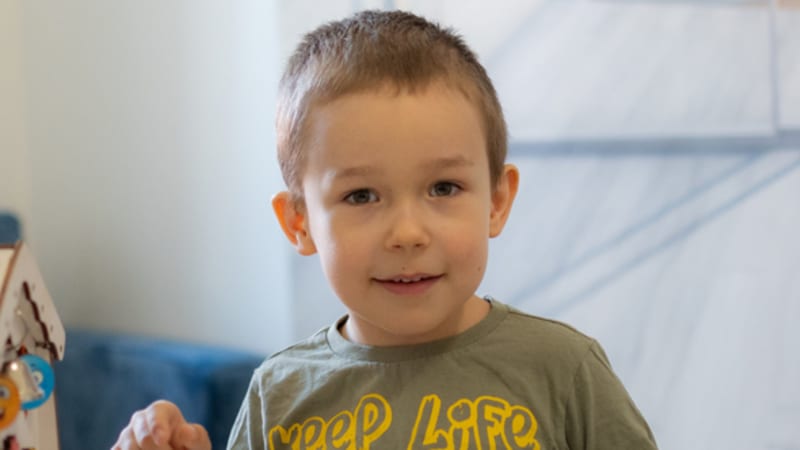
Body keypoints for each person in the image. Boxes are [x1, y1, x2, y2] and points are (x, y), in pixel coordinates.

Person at [112, 9, 658, 450]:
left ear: (496, 200)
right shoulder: (278, 393)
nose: (408, 233)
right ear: (299, 223)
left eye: (443, 188)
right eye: (361, 196)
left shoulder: (563, 370)